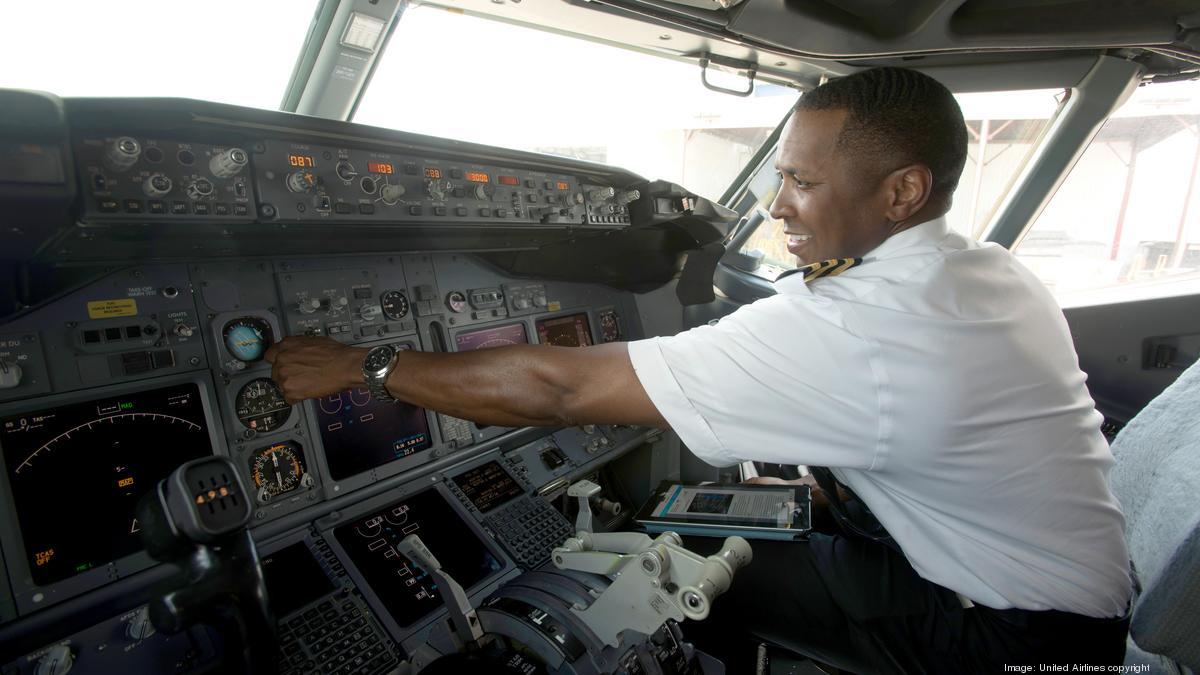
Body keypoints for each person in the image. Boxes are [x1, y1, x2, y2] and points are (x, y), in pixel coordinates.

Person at [266, 67, 1132, 673]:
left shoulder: (858, 324)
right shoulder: (984, 269)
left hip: (1011, 639)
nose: (777, 201)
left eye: (800, 180)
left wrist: (363, 364)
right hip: (1056, 595)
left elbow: (560, 388)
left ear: (902, 192)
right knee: (735, 527)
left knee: (652, 572)